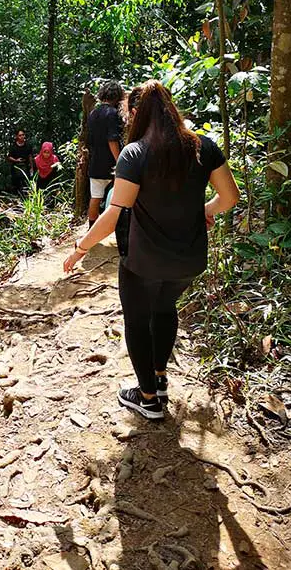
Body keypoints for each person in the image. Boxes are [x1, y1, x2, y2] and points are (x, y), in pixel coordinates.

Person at [64, 80, 239, 421]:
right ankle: (158, 380)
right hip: (189, 260)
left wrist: (80, 248)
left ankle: (147, 400)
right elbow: (230, 198)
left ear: (134, 113)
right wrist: (203, 210)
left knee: (137, 319)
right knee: (164, 307)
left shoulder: (135, 154)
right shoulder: (204, 147)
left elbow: (113, 213)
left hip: (143, 261)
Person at [87, 80, 124, 228]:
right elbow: (112, 140)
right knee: (117, 198)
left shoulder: (93, 113)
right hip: (110, 165)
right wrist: (120, 162)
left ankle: (92, 230)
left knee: (95, 197)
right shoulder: (112, 113)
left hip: (95, 162)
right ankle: (113, 228)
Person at [7, 129, 34, 194]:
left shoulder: (28, 146)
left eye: (23, 135)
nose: (22, 137)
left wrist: (31, 167)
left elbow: (30, 156)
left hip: (26, 166)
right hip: (16, 167)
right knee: (16, 184)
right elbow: (9, 157)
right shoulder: (13, 147)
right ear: (17, 136)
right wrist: (16, 160)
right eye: (20, 135)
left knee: (26, 183)